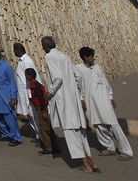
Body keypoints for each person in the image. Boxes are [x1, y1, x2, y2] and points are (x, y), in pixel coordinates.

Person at [42, 36, 99, 173]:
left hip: (64, 100)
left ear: (46, 46)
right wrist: (77, 93)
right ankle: (91, 161)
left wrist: (50, 92)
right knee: (80, 131)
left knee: (70, 130)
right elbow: (78, 75)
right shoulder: (64, 55)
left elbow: (57, 77)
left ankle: (85, 164)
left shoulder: (49, 57)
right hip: (73, 98)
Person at [75, 47, 133, 160]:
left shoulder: (98, 68)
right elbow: (78, 87)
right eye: (91, 56)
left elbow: (105, 83)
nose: (93, 58)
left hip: (104, 101)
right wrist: (81, 99)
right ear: (85, 57)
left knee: (114, 125)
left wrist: (110, 97)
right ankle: (109, 147)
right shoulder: (78, 69)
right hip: (91, 103)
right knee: (99, 126)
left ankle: (126, 151)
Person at [0, 48, 22, 146]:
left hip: (5, 96)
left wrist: (13, 97)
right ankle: (6, 134)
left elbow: (12, 83)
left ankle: (16, 137)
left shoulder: (6, 67)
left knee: (9, 117)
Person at [25, 67, 59, 156]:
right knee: (48, 127)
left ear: (29, 76)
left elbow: (41, 98)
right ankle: (54, 146)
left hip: (41, 108)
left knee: (44, 128)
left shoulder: (35, 86)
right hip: (41, 107)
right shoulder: (35, 84)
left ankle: (48, 148)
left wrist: (43, 111)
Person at [13, 43, 40, 141]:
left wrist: (30, 95)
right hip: (24, 94)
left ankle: (41, 136)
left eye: (14, 50)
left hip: (29, 94)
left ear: (18, 50)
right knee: (30, 115)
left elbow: (31, 79)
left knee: (34, 115)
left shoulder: (26, 61)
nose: (13, 52)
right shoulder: (21, 61)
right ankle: (38, 135)